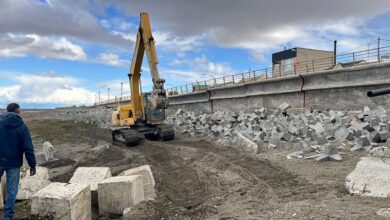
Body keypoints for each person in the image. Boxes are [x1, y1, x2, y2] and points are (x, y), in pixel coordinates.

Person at [0, 103, 36, 220]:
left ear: (7, 111)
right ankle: (7, 217)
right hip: (14, 163)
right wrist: (32, 165)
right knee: (11, 191)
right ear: (18, 111)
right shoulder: (22, 126)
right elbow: (28, 148)